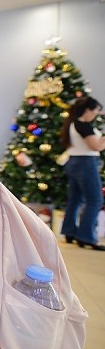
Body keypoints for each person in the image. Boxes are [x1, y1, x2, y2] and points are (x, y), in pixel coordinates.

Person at [59, 96, 105, 251]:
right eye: (97, 110)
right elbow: (96, 146)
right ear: (88, 110)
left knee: (76, 199)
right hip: (86, 163)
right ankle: (87, 237)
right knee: (95, 200)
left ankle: (69, 231)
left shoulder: (73, 124)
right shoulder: (84, 125)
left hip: (74, 162)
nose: (97, 114)